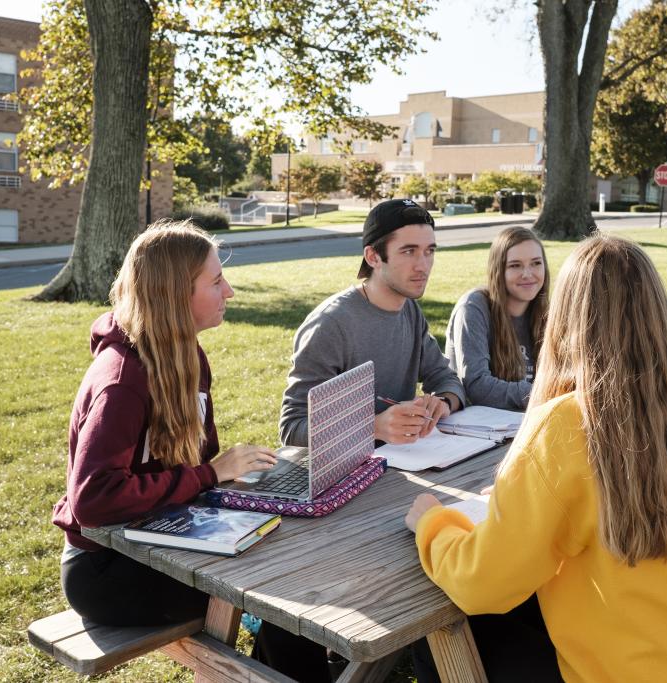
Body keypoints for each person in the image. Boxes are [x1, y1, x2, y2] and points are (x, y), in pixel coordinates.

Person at [406, 234, 667, 683]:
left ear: (567, 317)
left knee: (437, 644)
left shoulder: (568, 424)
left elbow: (482, 585)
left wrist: (433, 524)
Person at [53, 220, 278, 627]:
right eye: (216, 281)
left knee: (280, 553)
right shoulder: (120, 381)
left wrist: (239, 482)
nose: (228, 291)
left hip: (170, 534)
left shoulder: (188, 356)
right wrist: (212, 473)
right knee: (272, 591)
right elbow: (93, 500)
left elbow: (199, 467)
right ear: (175, 295)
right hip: (107, 568)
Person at [279, 198, 465, 447]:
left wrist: (442, 402)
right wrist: (373, 427)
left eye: (429, 251)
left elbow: (445, 377)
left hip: (400, 462)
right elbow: (292, 429)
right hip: (345, 475)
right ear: (373, 256)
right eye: (409, 251)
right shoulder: (330, 325)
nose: (423, 265)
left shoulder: (409, 309)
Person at [444, 226, 548, 410]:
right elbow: (477, 386)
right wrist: (543, 394)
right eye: (515, 265)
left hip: (528, 420)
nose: (528, 274)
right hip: (476, 428)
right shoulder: (473, 308)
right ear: (498, 270)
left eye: (536, 263)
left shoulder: (546, 313)